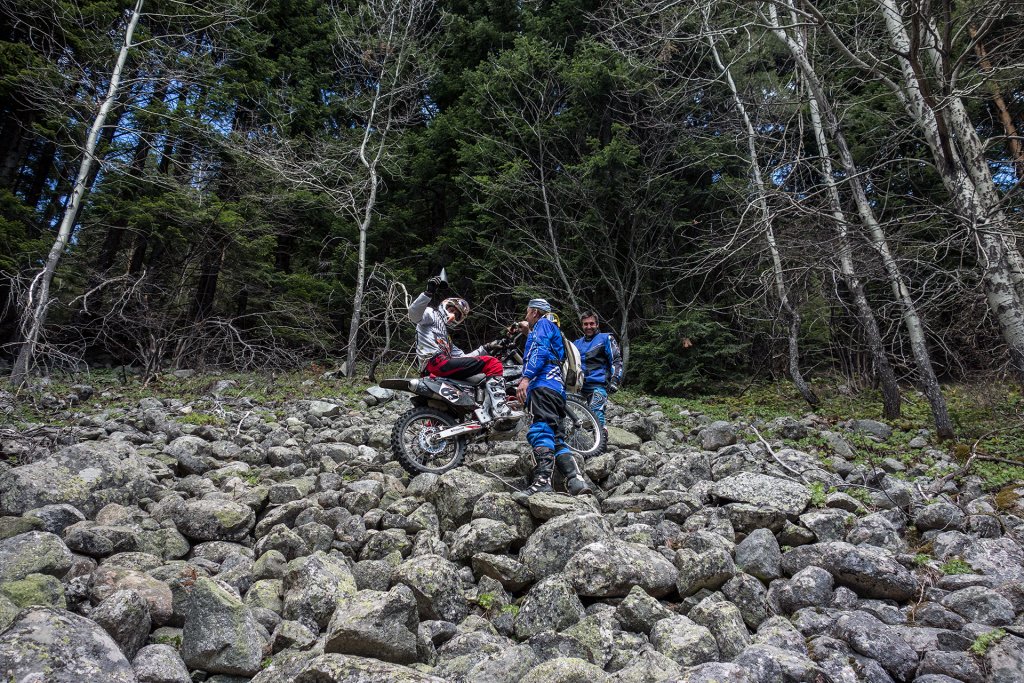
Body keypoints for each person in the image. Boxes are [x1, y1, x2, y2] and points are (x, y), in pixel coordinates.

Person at [408, 275, 521, 424]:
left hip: (436, 368)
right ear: (444, 305)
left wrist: (487, 347)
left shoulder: (447, 339)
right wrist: (428, 293)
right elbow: (413, 314)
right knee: (493, 364)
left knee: (457, 403)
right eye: (452, 309)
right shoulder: (431, 314)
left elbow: (464, 357)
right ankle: (500, 409)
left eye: (457, 315)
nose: (453, 315)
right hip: (436, 363)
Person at [514, 298, 591, 498]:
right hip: (557, 389)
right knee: (556, 437)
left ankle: (542, 482)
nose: (526, 316)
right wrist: (527, 331)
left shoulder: (543, 323)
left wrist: (526, 378)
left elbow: (539, 350)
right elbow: (544, 346)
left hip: (542, 386)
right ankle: (576, 480)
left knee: (540, 430)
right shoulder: (551, 328)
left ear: (534, 312)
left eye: (527, 312)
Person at [573, 311, 623, 435]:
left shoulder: (606, 338)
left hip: (598, 385)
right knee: (569, 413)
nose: (588, 327)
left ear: (597, 324)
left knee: (596, 413)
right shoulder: (576, 343)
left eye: (591, 323)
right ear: (582, 325)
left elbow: (616, 359)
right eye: (585, 324)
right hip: (578, 387)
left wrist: (615, 380)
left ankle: (601, 440)